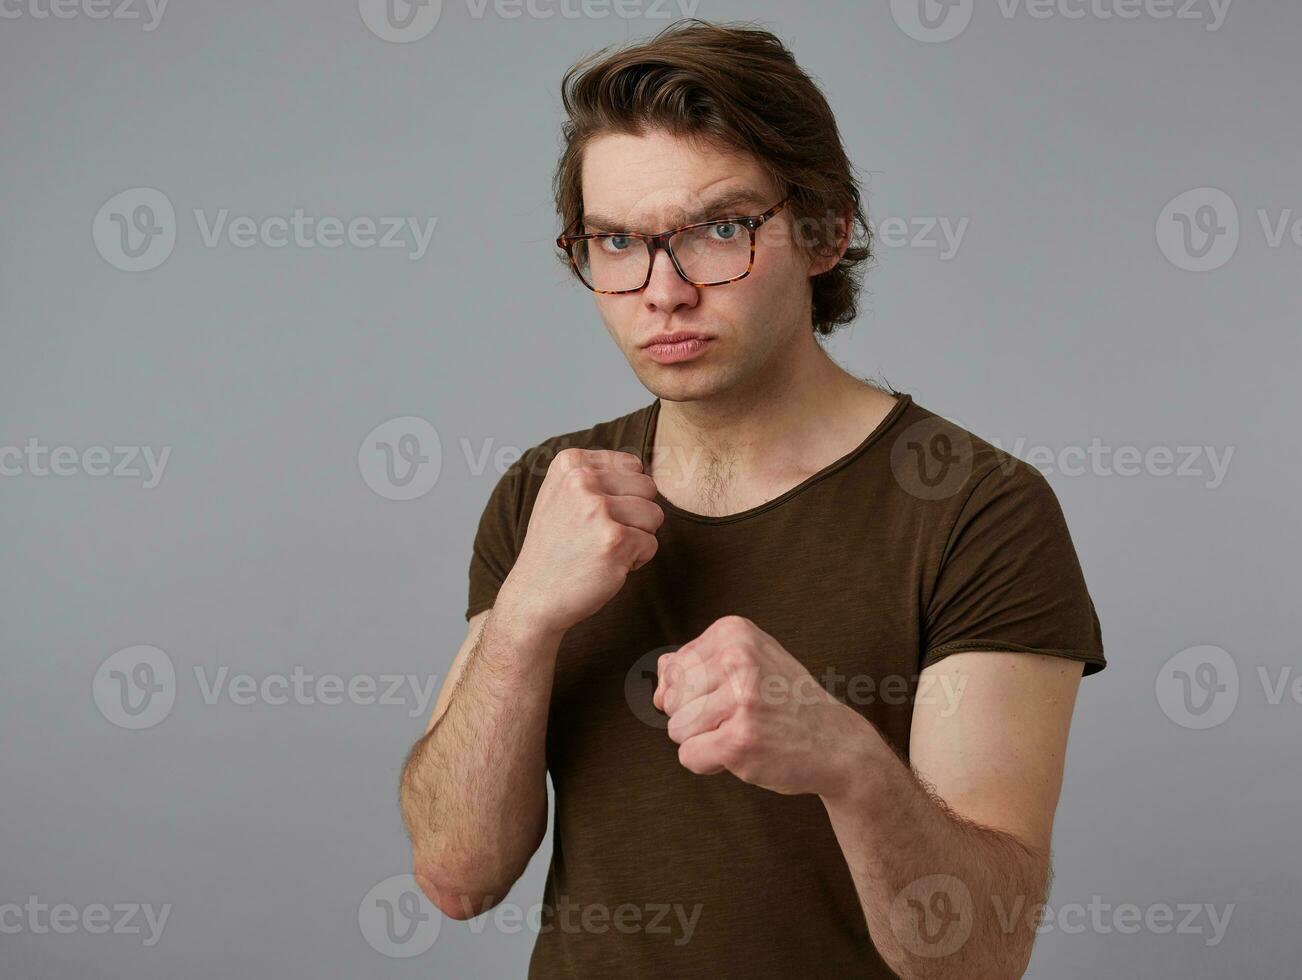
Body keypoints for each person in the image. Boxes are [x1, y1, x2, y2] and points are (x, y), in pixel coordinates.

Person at [399, 19, 1105, 979]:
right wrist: (523, 619)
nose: (664, 290)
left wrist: (846, 762)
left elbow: (980, 954)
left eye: (718, 229)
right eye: (617, 242)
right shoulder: (546, 493)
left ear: (824, 231)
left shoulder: (979, 508)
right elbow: (456, 876)